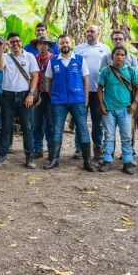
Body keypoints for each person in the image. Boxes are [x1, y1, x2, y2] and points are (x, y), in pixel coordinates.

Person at [44, 34, 92, 170]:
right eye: (62, 43)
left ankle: (87, 161)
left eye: (67, 43)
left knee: (82, 129)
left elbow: (86, 80)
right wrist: (53, 95)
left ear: (71, 44)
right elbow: (48, 80)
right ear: (58, 46)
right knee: (57, 130)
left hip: (77, 100)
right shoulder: (53, 61)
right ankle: (54, 160)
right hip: (58, 102)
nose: (65, 45)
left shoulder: (80, 59)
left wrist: (86, 98)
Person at [0, 32, 40, 169]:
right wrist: (2, 49)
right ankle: (1, 155)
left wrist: (31, 94)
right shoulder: (6, 56)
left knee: (27, 128)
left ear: (21, 41)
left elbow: (35, 76)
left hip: (24, 96)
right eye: (12, 42)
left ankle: (30, 158)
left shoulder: (30, 56)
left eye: (17, 41)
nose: (15, 44)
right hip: (7, 96)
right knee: (6, 127)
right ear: (9, 43)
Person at [97, 46, 138, 174]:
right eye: (117, 54)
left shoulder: (131, 71)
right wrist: (101, 105)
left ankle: (128, 161)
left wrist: (134, 103)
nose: (120, 57)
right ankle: (107, 160)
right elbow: (100, 89)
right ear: (112, 57)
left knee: (126, 136)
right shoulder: (106, 71)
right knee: (109, 136)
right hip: (109, 109)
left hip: (125, 109)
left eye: (122, 55)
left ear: (126, 57)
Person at [74, 25, 111, 159]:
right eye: (88, 31)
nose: (90, 33)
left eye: (92, 31)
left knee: (97, 122)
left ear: (98, 33)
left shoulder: (105, 49)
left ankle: (97, 148)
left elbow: (109, 70)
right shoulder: (78, 49)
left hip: (98, 91)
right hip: (81, 92)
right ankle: (79, 148)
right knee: (80, 120)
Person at [31, 36, 55, 159]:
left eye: (45, 43)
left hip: (50, 95)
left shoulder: (54, 59)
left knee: (50, 124)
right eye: (40, 44)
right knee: (36, 123)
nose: (42, 46)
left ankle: (51, 150)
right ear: (37, 46)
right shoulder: (33, 59)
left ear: (49, 46)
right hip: (36, 96)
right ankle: (38, 149)